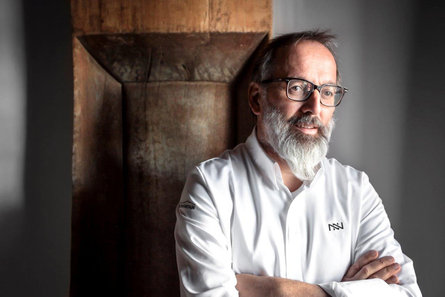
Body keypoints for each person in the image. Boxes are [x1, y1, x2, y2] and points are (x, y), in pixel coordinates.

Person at [174, 30, 422, 297]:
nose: (314, 107)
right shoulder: (210, 186)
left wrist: (278, 290)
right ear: (257, 99)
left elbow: (407, 293)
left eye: (327, 92)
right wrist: (347, 292)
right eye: (298, 87)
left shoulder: (355, 191)